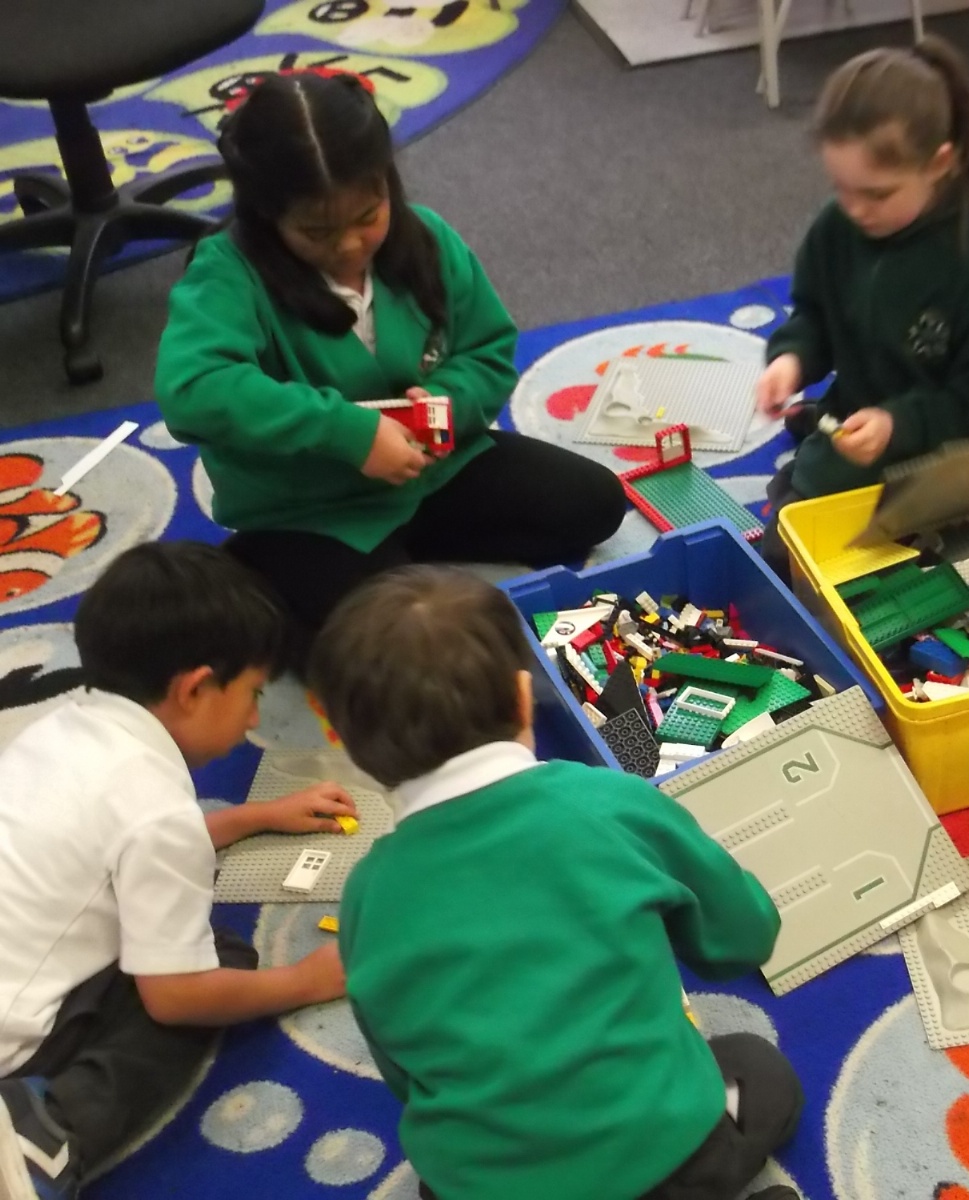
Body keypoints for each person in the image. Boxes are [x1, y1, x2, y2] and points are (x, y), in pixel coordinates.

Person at [307, 567, 803, 1200]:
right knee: (760, 1070)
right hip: (664, 1158)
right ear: (524, 696)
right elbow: (744, 937)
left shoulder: (365, 895)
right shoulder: (611, 803)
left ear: (340, 737)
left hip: (488, 1187)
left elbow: (404, 1072)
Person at [155, 69, 626, 647]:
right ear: (266, 215)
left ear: (388, 183)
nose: (349, 245)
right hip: (309, 506)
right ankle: (273, 564)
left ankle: (386, 555)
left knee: (595, 505)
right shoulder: (227, 272)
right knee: (402, 643)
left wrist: (449, 400)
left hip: (432, 475)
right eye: (316, 232)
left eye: (367, 216)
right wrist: (347, 433)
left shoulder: (426, 237)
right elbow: (193, 388)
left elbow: (488, 350)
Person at [0, 542, 350, 1200]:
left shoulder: (59, 730)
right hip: (14, 1043)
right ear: (194, 689)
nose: (256, 717)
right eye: (252, 694)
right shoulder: (157, 808)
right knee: (217, 967)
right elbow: (178, 996)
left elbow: (125, 846)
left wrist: (253, 817)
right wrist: (304, 979)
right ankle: (45, 1135)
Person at [755, 36, 969, 578]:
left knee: (945, 569)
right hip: (857, 424)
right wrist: (792, 359)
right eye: (842, 188)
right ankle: (815, 434)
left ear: (939, 163)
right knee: (787, 559)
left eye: (877, 194)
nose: (856, 209)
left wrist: (897, 424)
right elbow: (814, 314)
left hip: (941, 448)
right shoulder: (836, 227)